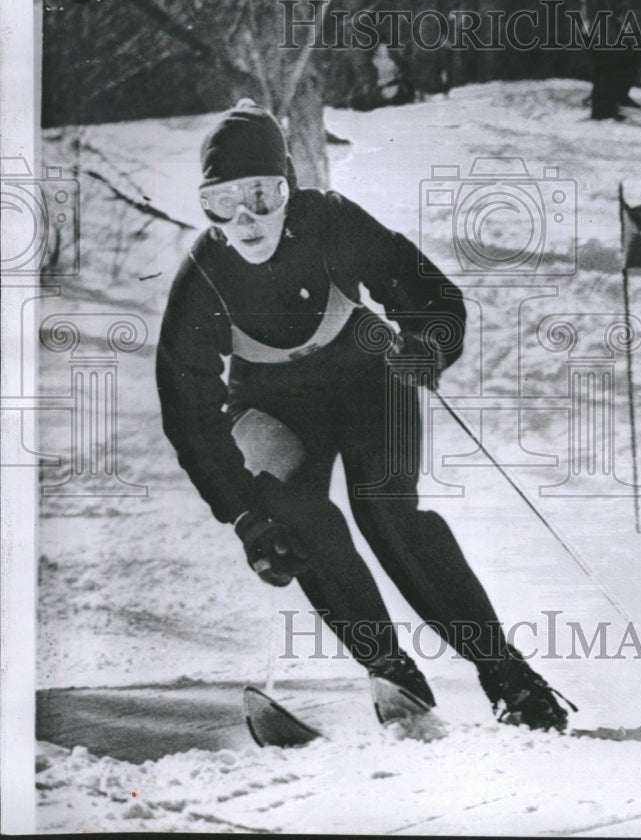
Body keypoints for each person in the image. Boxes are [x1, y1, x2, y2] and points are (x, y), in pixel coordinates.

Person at [156, 98, 574, 732]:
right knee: (293, 515)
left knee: (387, 512)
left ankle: (512, 680)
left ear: (289, 189)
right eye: (222, 202)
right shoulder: (203, 276)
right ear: (206, 207)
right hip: (272, 406)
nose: (245, 219)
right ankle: (393, 675)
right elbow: (189, 413)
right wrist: (245, 515)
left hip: (367, 380)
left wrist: (424, 345)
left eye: (263, 196)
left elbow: (432, 296)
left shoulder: (331, 222)